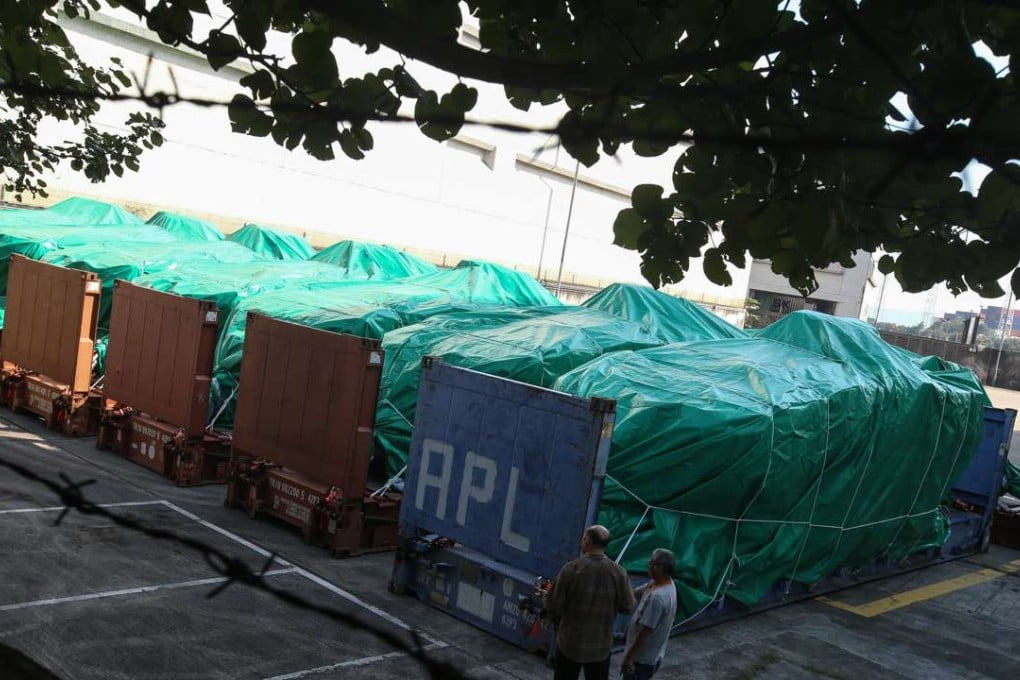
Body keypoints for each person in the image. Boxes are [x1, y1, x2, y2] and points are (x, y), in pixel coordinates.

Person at [542, 525, 635, 680]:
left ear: (587, 542)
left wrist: (546, 597)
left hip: (570, 644)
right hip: (600, 646)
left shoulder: (571, 569)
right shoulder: (619, 573)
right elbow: (628, 607)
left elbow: (553, 604)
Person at [621, 549, 678, 680]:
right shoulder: (661, 583)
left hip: (641, 659)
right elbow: (636, 592)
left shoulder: (658, 598)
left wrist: (630, 657)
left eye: (652, 563)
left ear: (660, 568)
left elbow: (646, 631)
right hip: (651, 655)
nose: (649, 566)